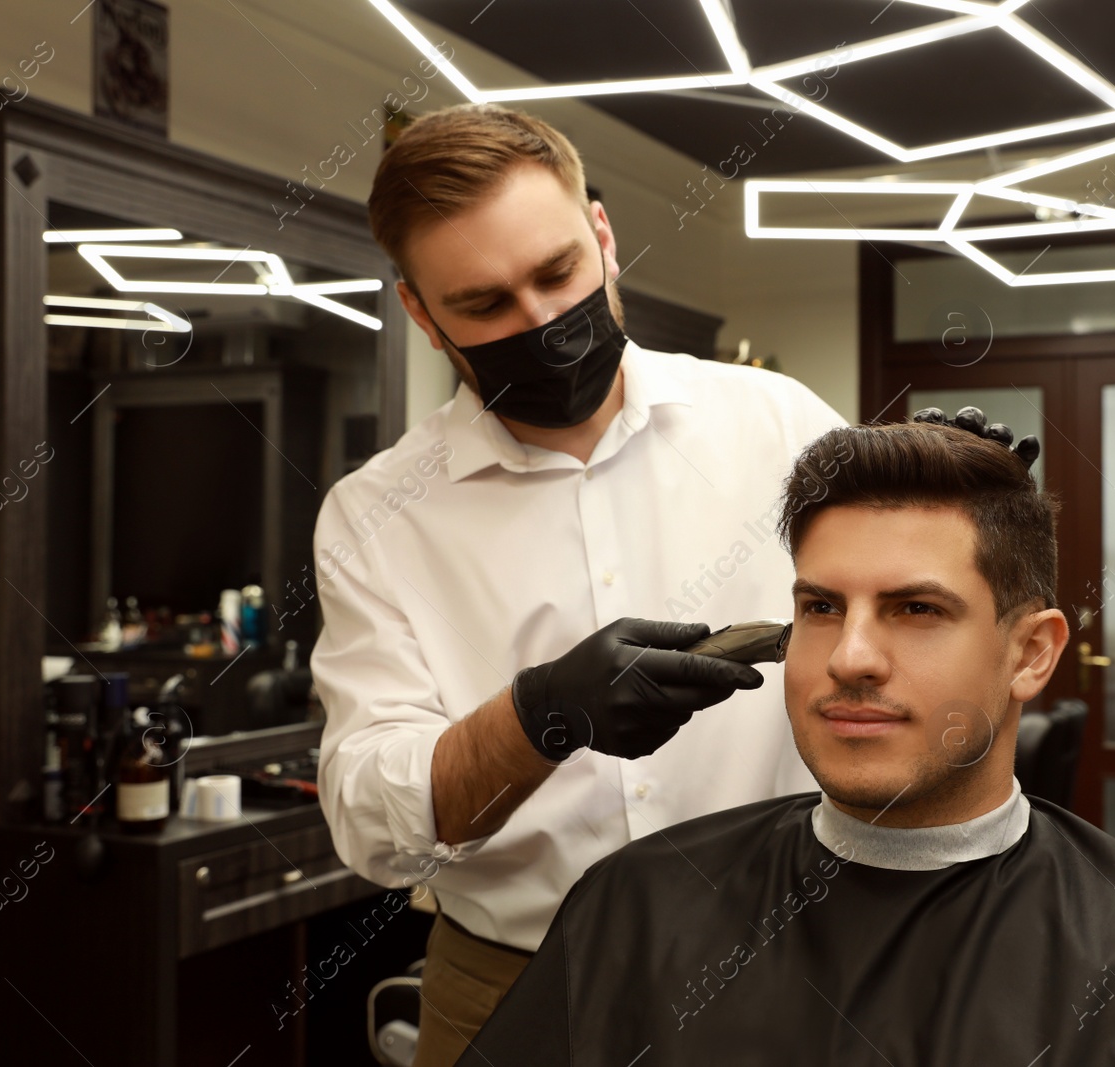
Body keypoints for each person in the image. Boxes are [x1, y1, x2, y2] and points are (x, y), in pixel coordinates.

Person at [458, 411, 1115, 1066]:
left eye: (916, 609)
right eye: (820, 607)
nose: (850, 657)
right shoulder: (633, 909)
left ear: (1031, 651)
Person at [309, 102, 846, 1067]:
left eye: (558, 273)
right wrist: (538, 718)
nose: (544, 324)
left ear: (601, 233)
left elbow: (898, 636)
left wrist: (967, 512)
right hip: (510, 989)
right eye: (484, 304)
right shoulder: (373, 515)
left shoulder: (780, 423)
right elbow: (367, 822)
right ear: (421, 314)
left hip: (785, 966)